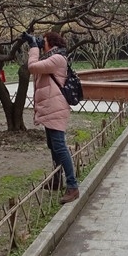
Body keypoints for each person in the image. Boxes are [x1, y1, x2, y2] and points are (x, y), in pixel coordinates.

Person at [22, 30, 79, 204]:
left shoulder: (58, 59)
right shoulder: (52, 57)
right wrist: (35, 45)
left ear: (51, 43)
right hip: (50, 107)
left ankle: (72, 186)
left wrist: (33, 47)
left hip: (55, 107)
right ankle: (56, 181)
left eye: (43, 41)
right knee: (53, 146)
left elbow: (32, 67)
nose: (41, 43)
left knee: (60, 147)